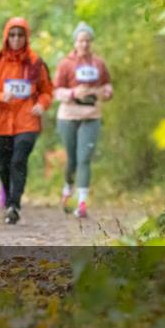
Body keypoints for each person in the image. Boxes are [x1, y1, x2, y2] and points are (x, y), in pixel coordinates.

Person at [0, 18, 53, 224]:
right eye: (12, 35)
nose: (16, 39)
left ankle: (14, 205)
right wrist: (0, 96)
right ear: (6, 37)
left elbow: (47, 91)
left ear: (26, 37)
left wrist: (42, 104)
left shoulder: (36, 63)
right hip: (1, 122)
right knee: (3, 165)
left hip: (27, 121)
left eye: (20, 35)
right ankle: (9, 201)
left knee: (18, 160)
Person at [53, 21, 113, 218]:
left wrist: (107, 91)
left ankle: (82, 203)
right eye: (81, 40)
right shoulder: (65, 64)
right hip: (69, 116)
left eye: (88, 40)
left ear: (91, 42)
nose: (84, 44)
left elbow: (107, 85)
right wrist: (72, 93)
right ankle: (67, 189)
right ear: (75, 42)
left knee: (84, 158)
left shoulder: (99, 63)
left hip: (91, 115)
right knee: (72, 159)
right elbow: (55, 91)